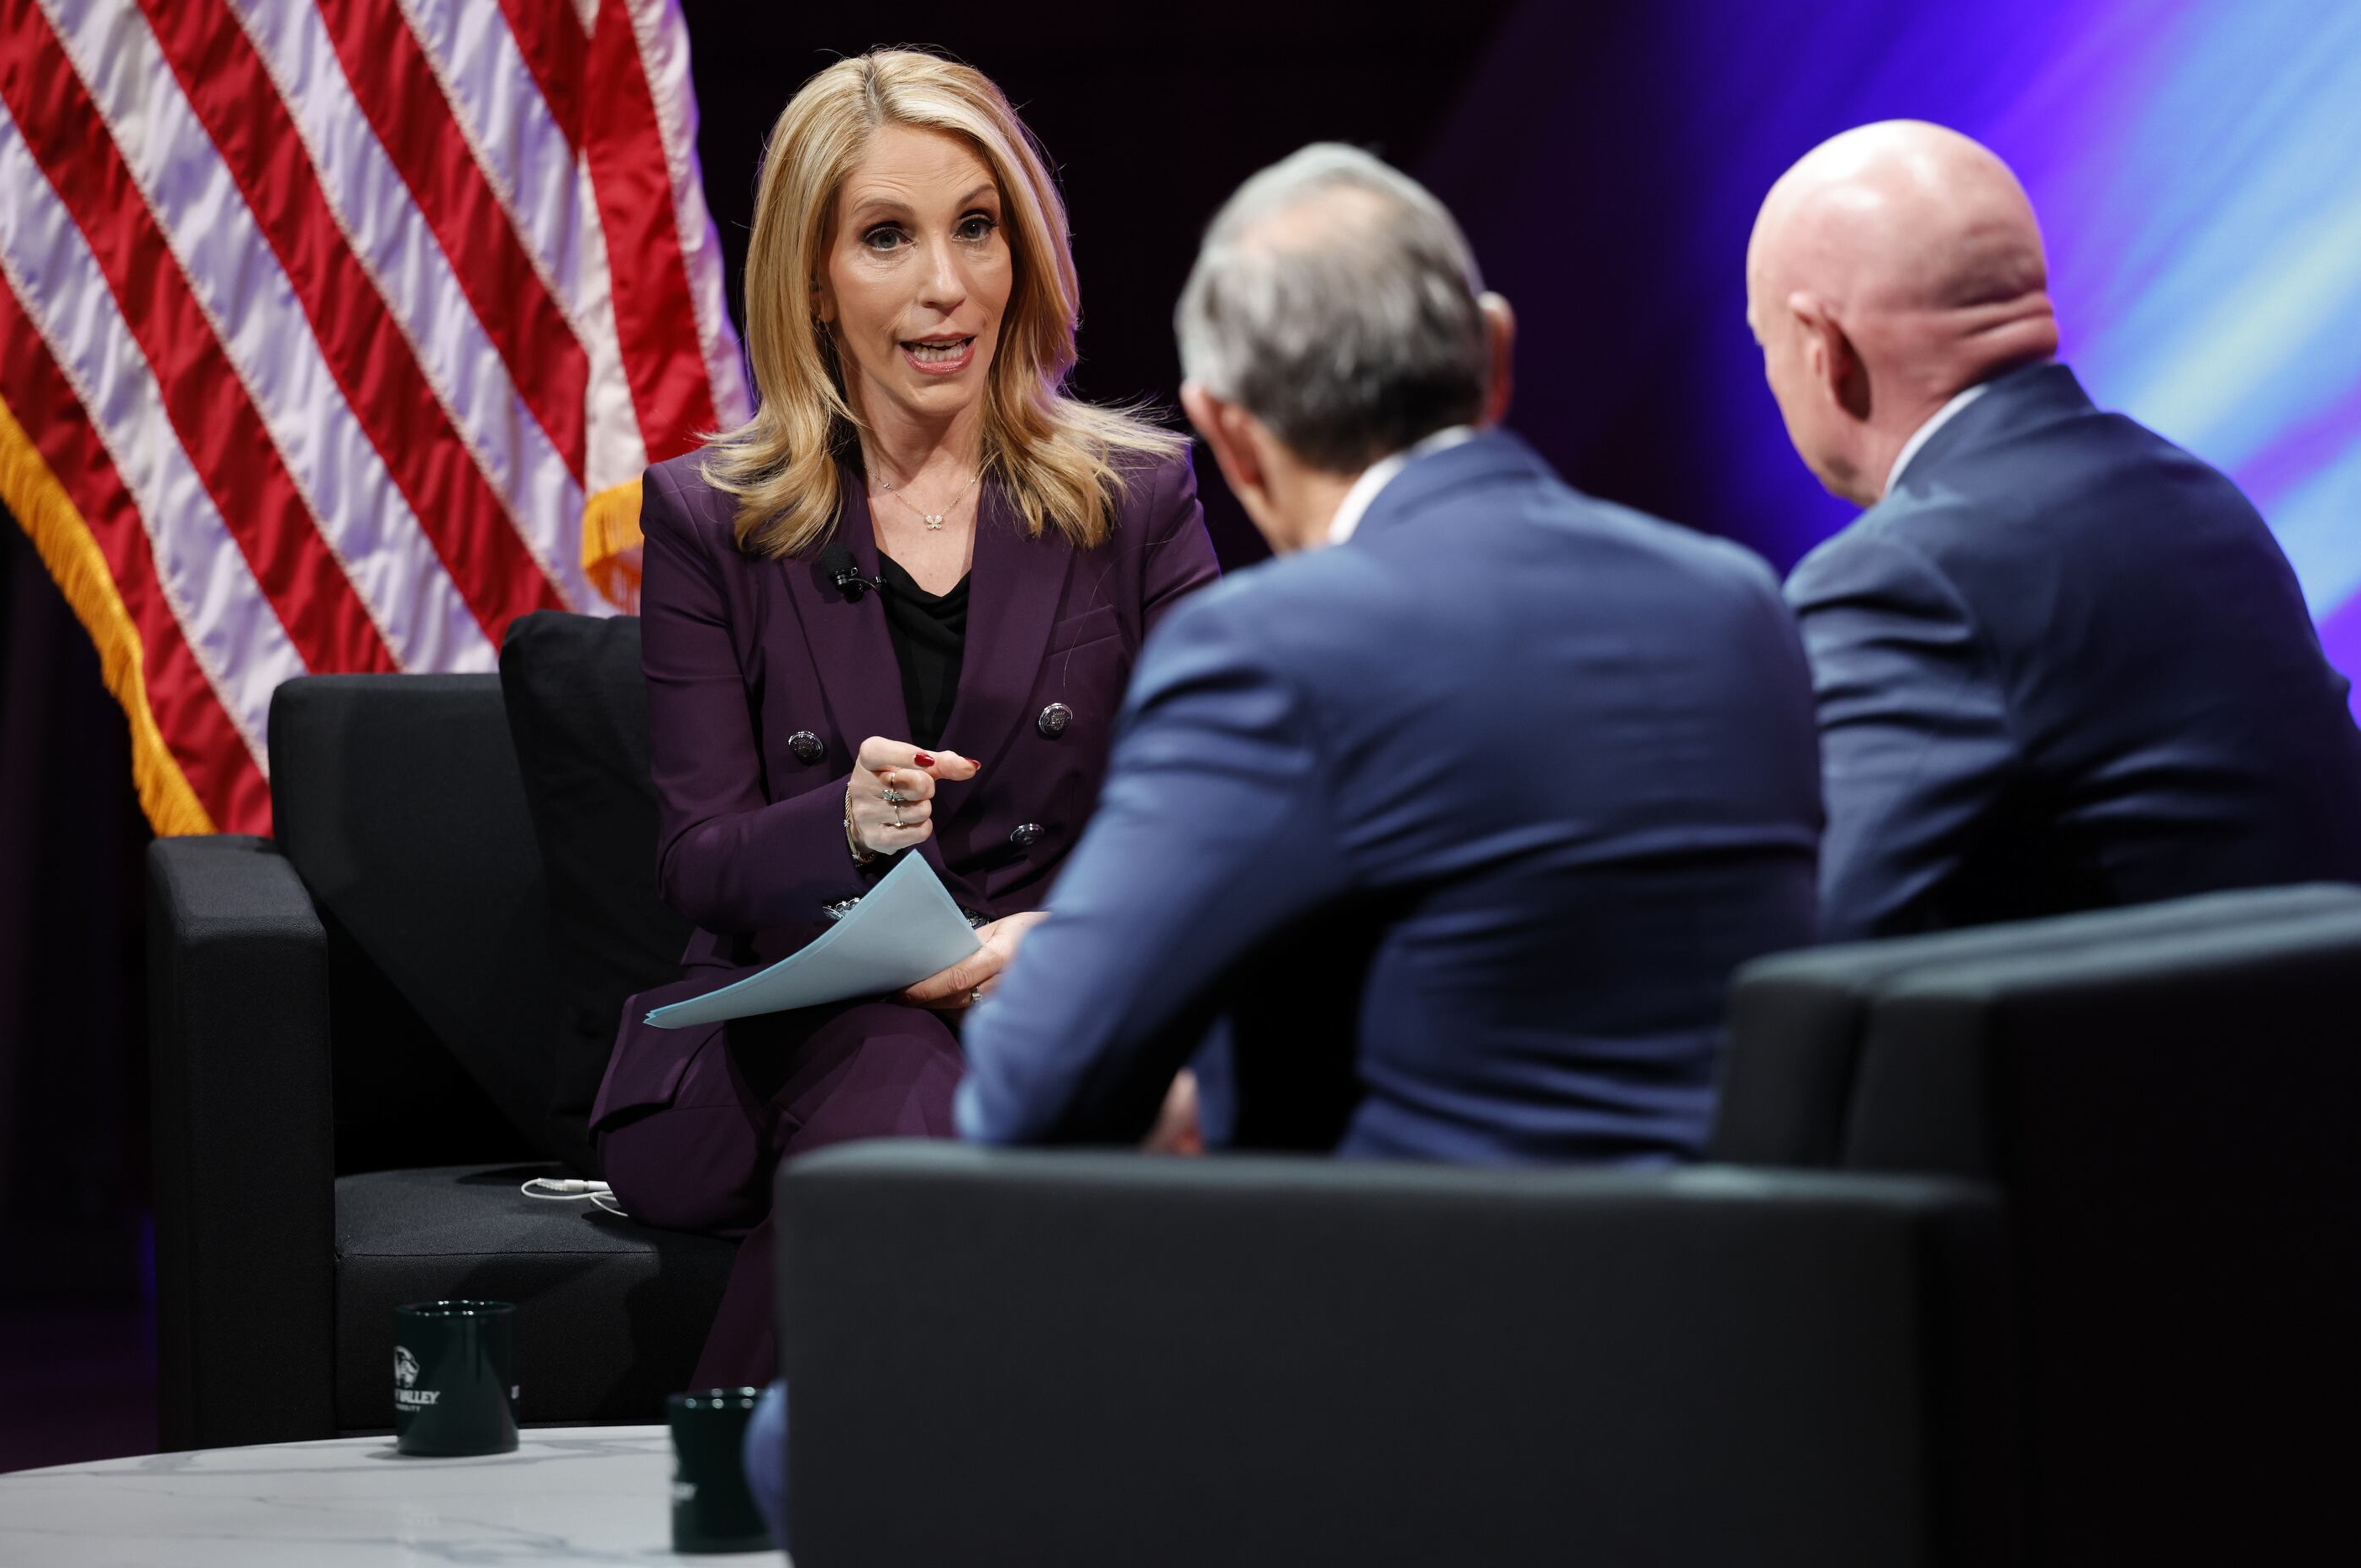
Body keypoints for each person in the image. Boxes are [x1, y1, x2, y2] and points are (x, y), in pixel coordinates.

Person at [743, 140, 1823, 1548]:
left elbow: (1038, 1089)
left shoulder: (1280, 648)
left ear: (1229, 431)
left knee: (813, 1422)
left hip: (1433, 1363)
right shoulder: (1739, 601)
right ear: (1492, 358)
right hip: (1760, 1337)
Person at [592, 50, 1219, 1387]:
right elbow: (697, 861)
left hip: (1049, 987)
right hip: (809, 1011)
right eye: (888, 237)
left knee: (985, 1085)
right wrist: (848, 825)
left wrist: (1074, 932)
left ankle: (755, 1483)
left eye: (977, 228)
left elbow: (1222, 803)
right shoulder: (714, 518)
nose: (947, 284)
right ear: (814, 283)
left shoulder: (1137, 496)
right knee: (899, 1089)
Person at [1748, 120, 2361, 939]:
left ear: (1826, 348)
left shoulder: (1904, 578)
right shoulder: (2201, 500)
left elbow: (1804, 946)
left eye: (1767, 345)